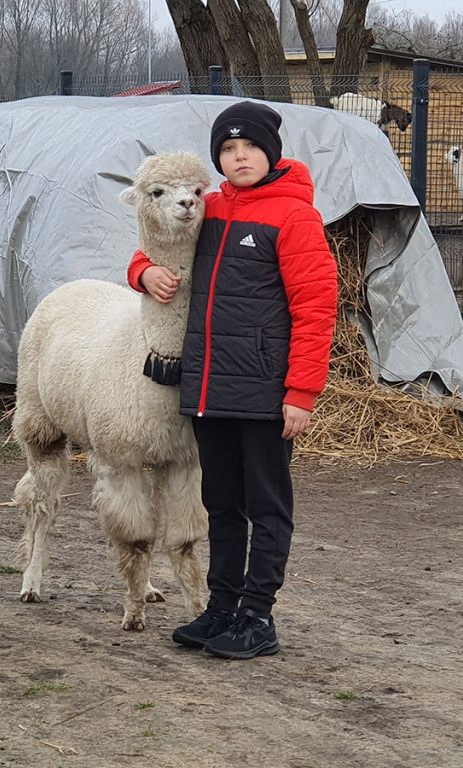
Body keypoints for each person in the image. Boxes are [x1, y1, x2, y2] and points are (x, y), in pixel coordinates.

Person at [127, 101, 338, 660]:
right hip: (209, 385)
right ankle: (221, 607)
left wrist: (301, 393)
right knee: (219, 501)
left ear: (271, 151)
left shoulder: (294, 217)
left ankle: (257, 616)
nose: (238, 156)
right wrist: (141, 272)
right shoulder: (210, 206)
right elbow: (158, 242)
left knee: (266, 504)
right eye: (227, 148)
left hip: (266, 389)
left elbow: (317, 308)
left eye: (248, 147)